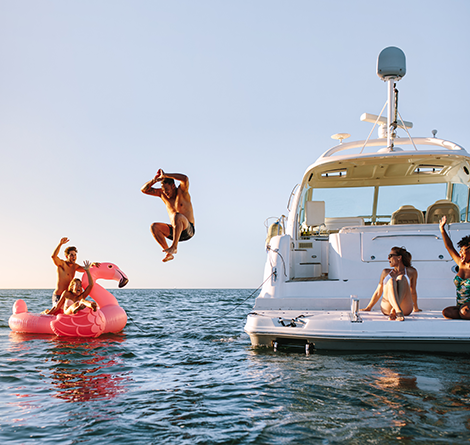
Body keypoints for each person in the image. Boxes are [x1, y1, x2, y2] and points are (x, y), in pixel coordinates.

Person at [141, 169, 195, 262]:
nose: (165, 192)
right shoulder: (162, 194)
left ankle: (174, 247)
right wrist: (154, 180)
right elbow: (144, 190)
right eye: (163, 189)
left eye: (167, 189)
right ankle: (168, 253)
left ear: (173, 186)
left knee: (176, 216)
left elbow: (185, 178)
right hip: (175, 231)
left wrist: (166, 175)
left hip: (187, 230)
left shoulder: (182, 192)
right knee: (154, 227)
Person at [361, 246, 420, 321]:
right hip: (388, 308)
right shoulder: (386, 272)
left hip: (405, 307)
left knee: (402, 278)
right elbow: (378, 292)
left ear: (399, 258)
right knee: (391, 281)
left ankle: (395, 310)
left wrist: (416, 308)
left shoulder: (411, 272)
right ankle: (397, 311)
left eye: (390, 256)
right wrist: (368, 308)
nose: (388, 258)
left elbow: (413, 291)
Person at [51, 237, 99, 305]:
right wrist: (60, 244)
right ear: (66, 256)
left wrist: (92, 264)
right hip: (58, 296)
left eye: (75, 255)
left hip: (68, 297)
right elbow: (53, 256)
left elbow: (84, 269)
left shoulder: (75, 266)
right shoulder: (62, 264)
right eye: (71, 255)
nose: (74, 257)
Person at [439, 215, 470, 319]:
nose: (460, 253)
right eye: (460, 250)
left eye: (463, 250)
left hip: (467, 306)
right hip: (461, 305)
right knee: (446, 312)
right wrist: (442, 229)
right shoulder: (460, 263)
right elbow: (449, 247)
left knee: (465, 312)